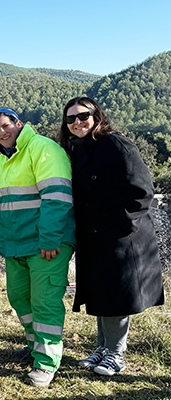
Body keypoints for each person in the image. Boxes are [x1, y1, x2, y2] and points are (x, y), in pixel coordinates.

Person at [59, 97, 164, 376]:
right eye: (70, 119)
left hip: (122, 236)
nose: (77, 123)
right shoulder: (76, 149)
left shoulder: (117, 145)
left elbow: (141, 191)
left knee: (116, 294)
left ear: (97, 115)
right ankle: (103, 348)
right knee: (102, 292)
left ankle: (116, 354)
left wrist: (120, 226)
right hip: (94, 235)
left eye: (83, 116)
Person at [0, 107, 75, 387]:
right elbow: (8, 204)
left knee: (45, 302)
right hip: (16, 244)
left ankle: (46, 364)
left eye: (6, 126)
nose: (2, 132)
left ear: (19, 124)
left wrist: (50, 239)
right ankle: (34, 345)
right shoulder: (2, 159)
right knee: (19, 297)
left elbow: (57, 196)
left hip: (47, 243)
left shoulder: (43, 149)